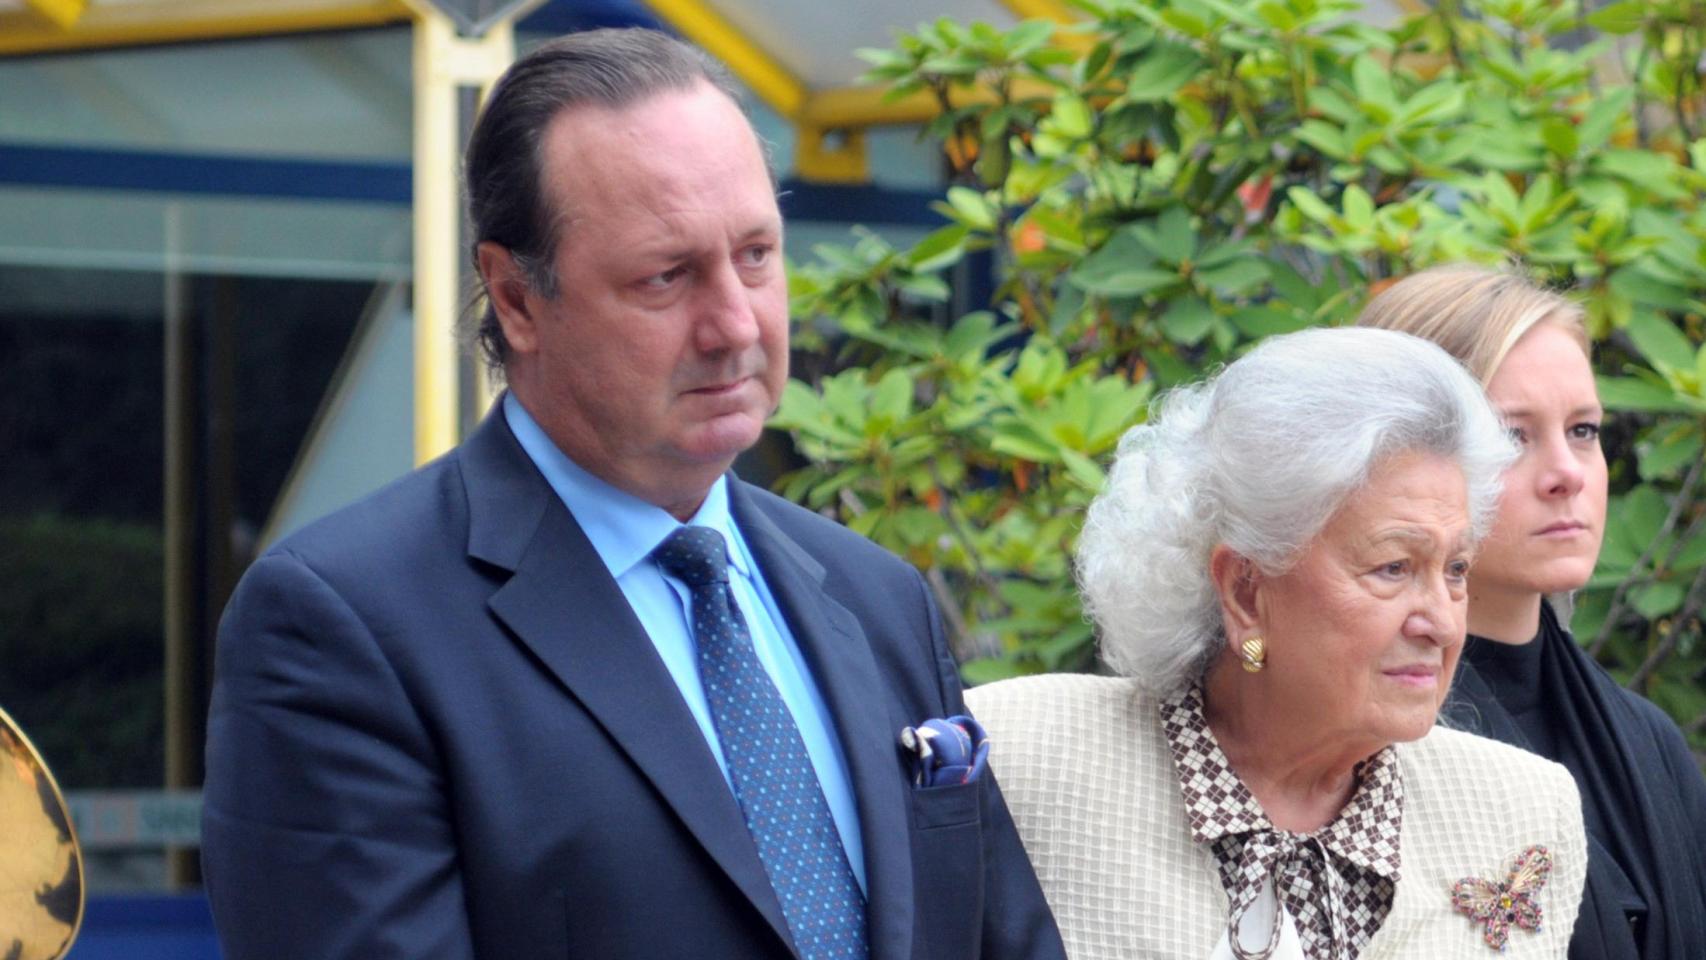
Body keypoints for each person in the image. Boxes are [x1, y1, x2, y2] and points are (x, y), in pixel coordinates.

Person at [200, 28, 1065, 960]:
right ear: (518, 299)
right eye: (667, 276)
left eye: (757, 255)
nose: (735, 323)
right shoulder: (345, 626)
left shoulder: (876, 595)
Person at [967, 327, 1589, 959]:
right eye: (1394, 568)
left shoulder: (1524, 810)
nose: (1443, 623)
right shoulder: (1020, 758)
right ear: (1245, 592)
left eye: (1455, 570)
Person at [1358, 264, 1706, 960]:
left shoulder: (1650, 745)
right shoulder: (1359, 741)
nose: (1567, 473)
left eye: (1583, 430)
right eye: (1513, 436)